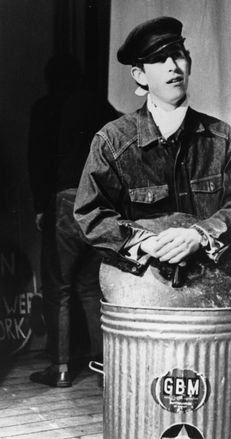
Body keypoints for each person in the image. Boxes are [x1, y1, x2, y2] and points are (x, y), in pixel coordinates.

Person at [74, 17, 231, 295]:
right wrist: (144, 242)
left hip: (210, 293)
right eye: (160, 60)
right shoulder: (112, 141)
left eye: (178, 56)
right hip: (140, 293)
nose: (173, 66)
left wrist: (199, 235)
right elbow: (90, 214)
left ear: (189, 62)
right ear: (139, 75)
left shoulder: (221, 137)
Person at [28, 54, 119, 387]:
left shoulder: (45, 106)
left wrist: (41, 206)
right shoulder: (101, 106)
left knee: (58, 288)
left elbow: (37, 159)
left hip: (65, 200)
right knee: (90, 287)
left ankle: (61, 367)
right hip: (101, 202)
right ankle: (105, 368)